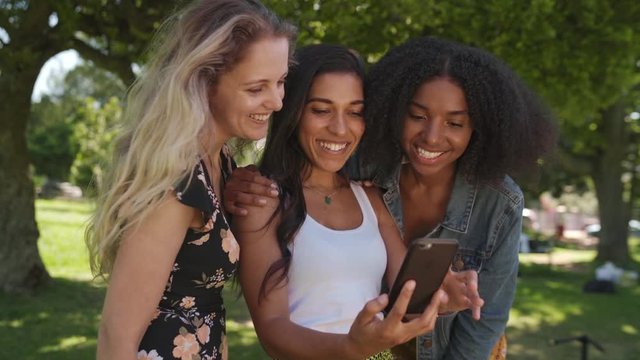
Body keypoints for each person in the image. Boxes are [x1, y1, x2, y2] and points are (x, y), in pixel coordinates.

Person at [225, 36, 556, 359]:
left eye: (455, 122)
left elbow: (452, 310)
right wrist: (234, 181)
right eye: (417, 116)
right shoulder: (359, 172)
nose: (433, 136)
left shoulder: (373, 195)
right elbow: (273, 327)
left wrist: (443, 300)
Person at [84, 1, 295, 359]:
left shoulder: (220, 163)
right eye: (257, 88)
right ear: (205, 81)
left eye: (280, 82)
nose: (276, 102)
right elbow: (115, 335)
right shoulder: (177, 182)